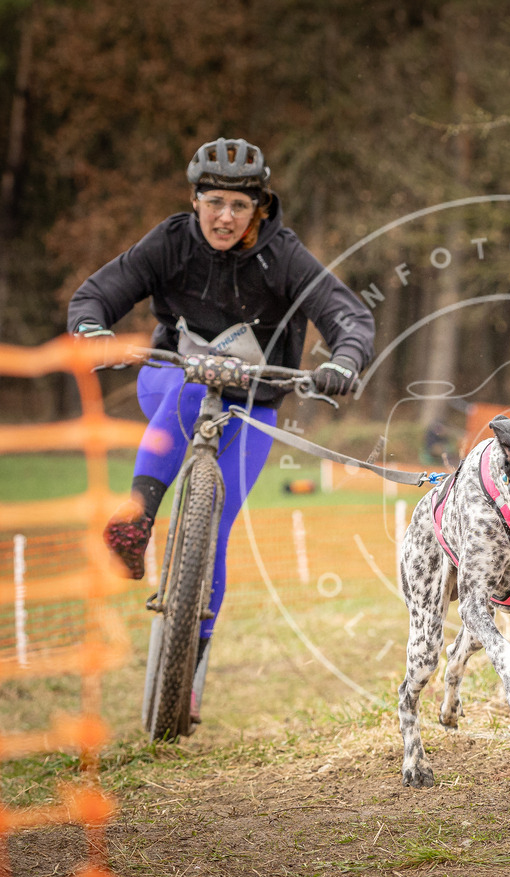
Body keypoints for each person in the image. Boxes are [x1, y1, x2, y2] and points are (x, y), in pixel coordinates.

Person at [67, 137, 374, 706]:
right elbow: (97, 295)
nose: (225, 217)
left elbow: (347, 314)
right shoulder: (171, 242)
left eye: (239, 205)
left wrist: (343, 360)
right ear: (195, 199)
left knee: (221, 524)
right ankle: (136, 520)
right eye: (214, 202)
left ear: (259, 207)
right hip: (169, 381)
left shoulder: (283, 255)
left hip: (251, 404)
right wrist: (93, 331)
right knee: (191, 381)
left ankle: (189, 668)